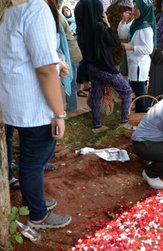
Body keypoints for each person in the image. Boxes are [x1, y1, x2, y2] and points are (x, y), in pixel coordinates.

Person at [1, 0, 71, 229]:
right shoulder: (36, 9)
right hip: (33, 102)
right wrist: (59, 112)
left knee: (31, 158)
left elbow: (30, 55)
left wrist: (56, 61)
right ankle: (38, 214)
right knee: (35, 159)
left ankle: (34, 200)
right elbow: (44, 69)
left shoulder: (11, 11)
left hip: (16, 97)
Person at [75, 0, 133, 133]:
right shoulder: (100, 26)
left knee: (96, 94)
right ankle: (124, 121)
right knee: (127, 91)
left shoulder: (83, 28)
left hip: (92, 67)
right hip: (105, 67)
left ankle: (97, 125)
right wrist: (107, 23)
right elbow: (113, 41)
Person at [119, 0, 156, 113]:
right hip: (134, 61)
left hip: (140, 63)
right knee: (137, 90)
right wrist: (123, 21)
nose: (133, 10)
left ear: (144, 10)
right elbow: (123, 34)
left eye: (136, 8)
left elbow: (149, 49)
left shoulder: (145, 27)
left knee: (140, 92)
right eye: (133, 7)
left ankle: (141, 116)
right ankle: (141, 115)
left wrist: (132, 47)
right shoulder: (136, 22)